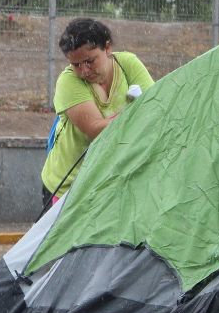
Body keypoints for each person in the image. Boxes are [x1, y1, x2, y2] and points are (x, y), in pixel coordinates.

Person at [40, 18, 155, 208]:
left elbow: (156, 109)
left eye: (89, 61)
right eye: (76, 65)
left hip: (109, 184)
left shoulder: (128, 64)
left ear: (107, 48)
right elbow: (97, 130)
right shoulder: (68, 82)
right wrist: (137, 112)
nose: (84, 71)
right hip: (67, 188)